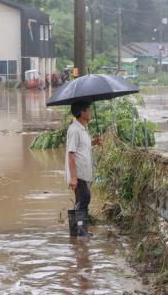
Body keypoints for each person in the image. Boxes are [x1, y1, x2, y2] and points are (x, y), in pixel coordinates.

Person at [65, 101, 102, 237]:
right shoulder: (74, 130)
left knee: (80, 200)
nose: (90, 112)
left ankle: (76, 232)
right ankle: (81, 231)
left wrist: (94, 142)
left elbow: (82, 147)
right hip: (78, 173)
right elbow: (71, 154)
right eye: (88, 110)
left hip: (83, 172)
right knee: (85, 197)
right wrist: (73, 178)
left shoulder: (83, 128)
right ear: (81, 112)